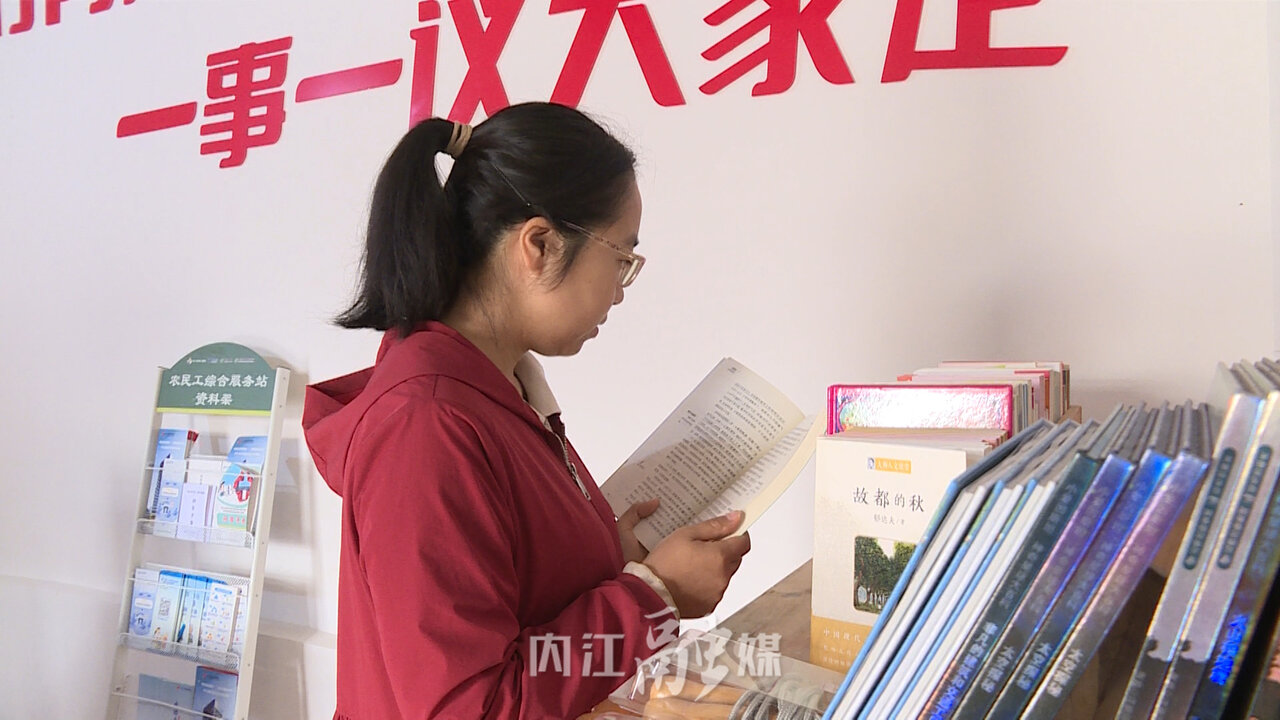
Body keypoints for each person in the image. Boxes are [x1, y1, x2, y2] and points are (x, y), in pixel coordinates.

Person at [302, 102, 752, 719]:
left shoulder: (498, 389)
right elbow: (471, 708)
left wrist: (608, 554)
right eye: (620, 258)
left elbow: (513, 590)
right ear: (539, 244)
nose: (620, 291)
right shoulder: (426, 426)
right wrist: (656, 597)